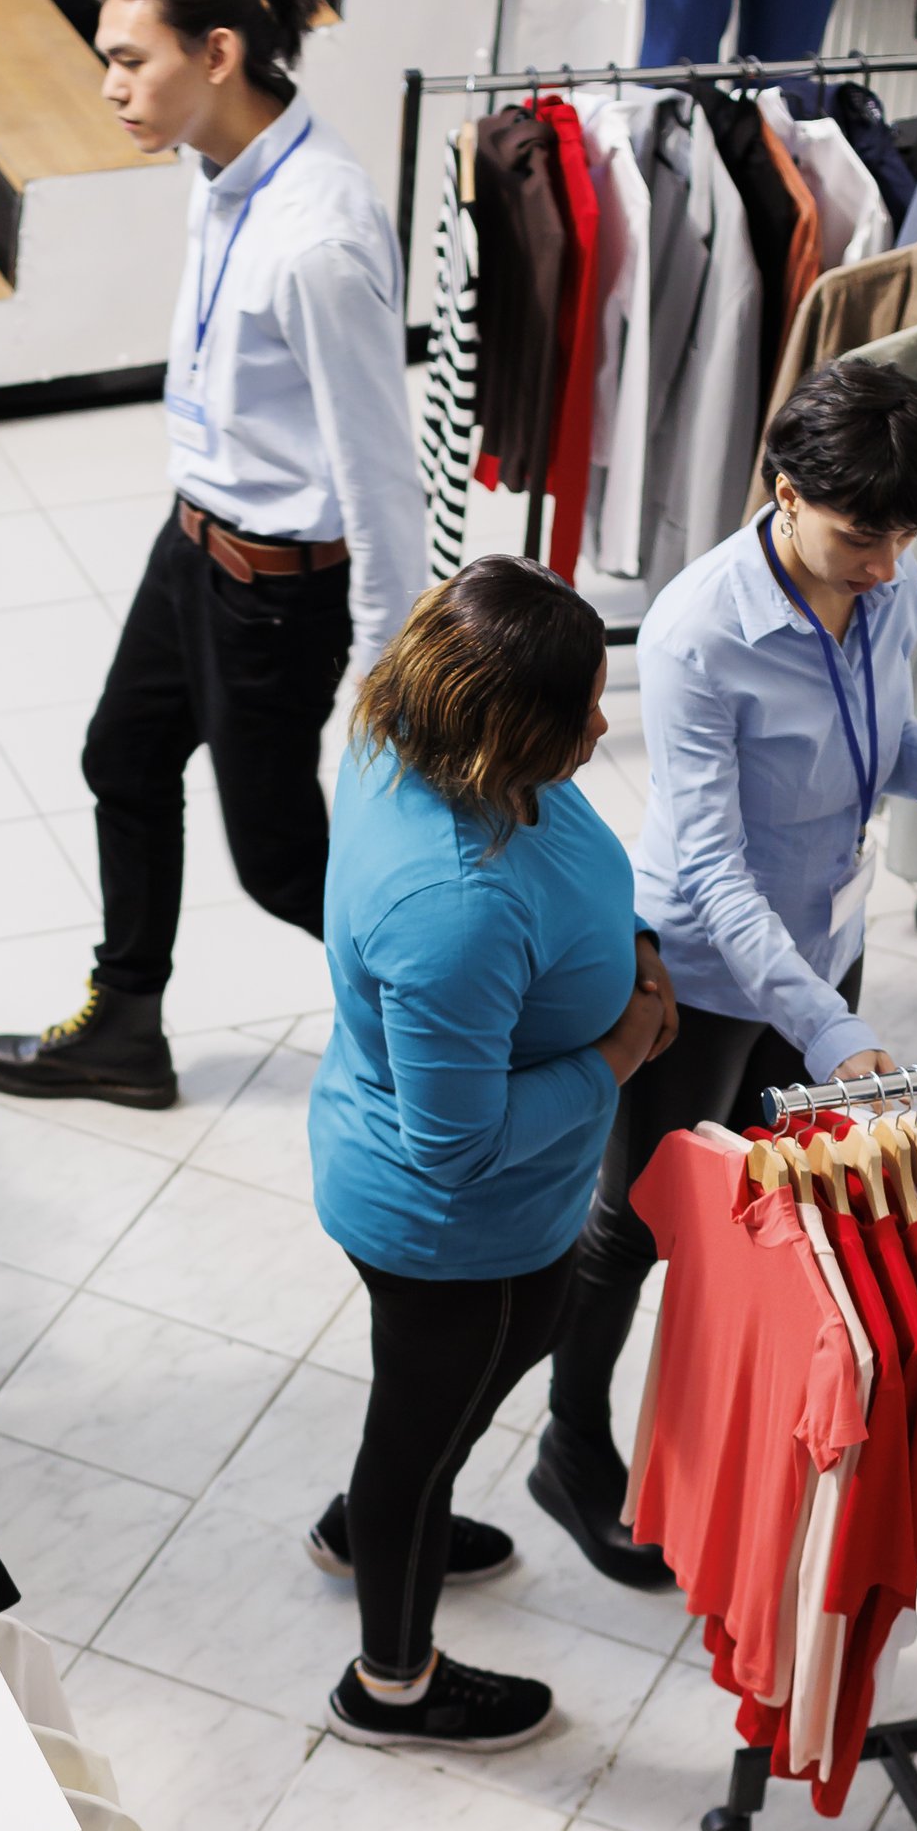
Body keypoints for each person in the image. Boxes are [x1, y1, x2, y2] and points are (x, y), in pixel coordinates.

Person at [529, 353, 917, 1584]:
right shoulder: (698, 634)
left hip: (821, 958)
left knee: (779, 1219)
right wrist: (828, 1026)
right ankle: (571, 1449)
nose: (889, 565)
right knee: (631, 1227)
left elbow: (883, 749)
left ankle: (727, 1433)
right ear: (784, 489)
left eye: (905, 537)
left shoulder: (881, 587)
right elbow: (710, 873)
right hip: (697, 979)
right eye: (864, 536)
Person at [0, 0, 426, 1111]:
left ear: (217, 52)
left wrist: (390, 660)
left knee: (285, 867)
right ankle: (124, 1026)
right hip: (196, 544)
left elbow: (381, 469)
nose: (110, 87)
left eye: (131, 60)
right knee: (120, 756)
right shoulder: (218, 170)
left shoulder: (317, 237)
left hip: (278, 590)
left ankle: (467, 1018)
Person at [308, 560, 677, 1755]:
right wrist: (618, 1051)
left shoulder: (408, 728)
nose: (600, 725)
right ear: (504, 728)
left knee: (427, 1408)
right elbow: (457, 1146)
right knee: (423, 1427)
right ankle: (393, 1683)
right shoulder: (449, 903)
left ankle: (371, 1520)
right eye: (580, 711)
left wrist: (621, 953)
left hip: (472, 1208)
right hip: (452, 1229)